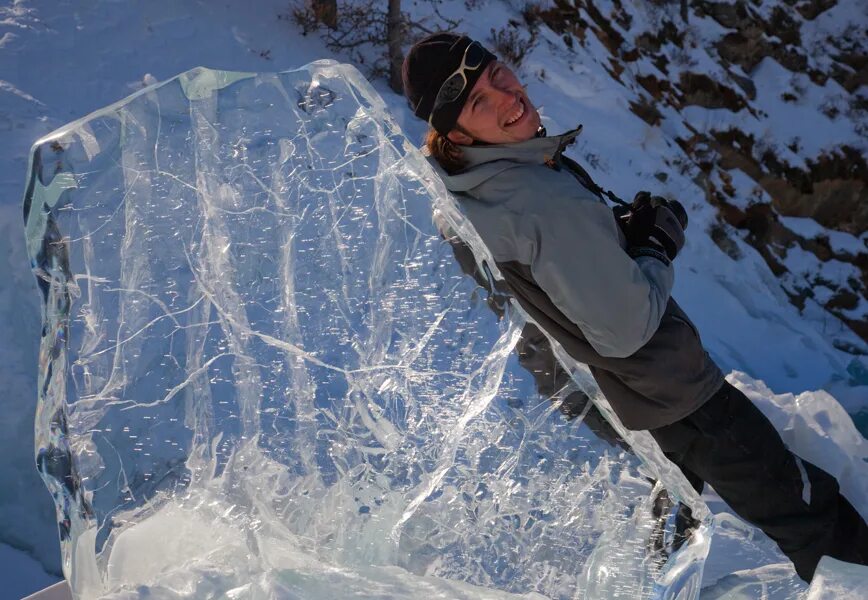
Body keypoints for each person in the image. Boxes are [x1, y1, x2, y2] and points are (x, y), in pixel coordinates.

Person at [401, 31, 868, 582]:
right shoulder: (540, 202)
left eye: (498, 74)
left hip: (603, 396)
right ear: (453, 129)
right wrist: (654, 246)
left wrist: (607, 246)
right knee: (806, 511)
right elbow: (628, 329)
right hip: (670, 391)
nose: (508, 96)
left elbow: (543, 283)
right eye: (480, 100)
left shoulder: (465, 190)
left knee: (680, 513)